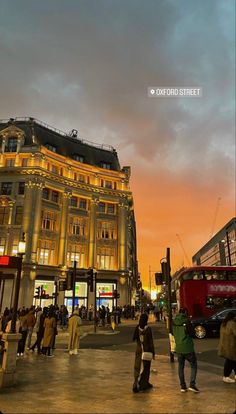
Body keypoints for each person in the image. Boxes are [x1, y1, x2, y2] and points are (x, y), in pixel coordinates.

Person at [173, 308, 199, 393]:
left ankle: (183, 386)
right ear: (185, 313)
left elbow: (172, 332)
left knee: (181, 366)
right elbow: (192, 333)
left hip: (179, 347)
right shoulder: (187, 321)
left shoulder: (174, 321)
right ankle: (192, 384)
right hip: (187, 347)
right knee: (193, 365)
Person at [132, 313, 155, 392]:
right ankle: (143, 384)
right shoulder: (148, 329)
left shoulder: (137, 328)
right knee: (146, 368)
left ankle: (135, 384)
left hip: (139, 349)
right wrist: (153, 353)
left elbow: (134, 338)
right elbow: (151, 342)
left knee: (137, 366)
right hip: (146, 350)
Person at [218, 311, 236, 383]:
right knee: (230, 361)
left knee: (233, 361)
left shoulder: (223, 323)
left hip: (224, 346)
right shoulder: (232, 324)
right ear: (233, 317)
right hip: (231, 346)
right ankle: (226, 376)